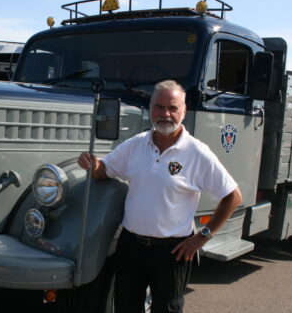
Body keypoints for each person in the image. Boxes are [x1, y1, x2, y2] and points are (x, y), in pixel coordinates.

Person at [77, 80, 242, 313]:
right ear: (151, 108)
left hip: (173, 251)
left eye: (173, 108)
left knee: (167, 309)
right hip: (131, 246)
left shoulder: (197, 153)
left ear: (184, 112)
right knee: (125, 307)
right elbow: (104, 170)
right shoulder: (135, 145)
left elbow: (233, 196)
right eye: (159, 107)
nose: (165, 114)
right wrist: (91, 163)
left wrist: (202, 237)